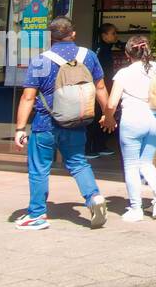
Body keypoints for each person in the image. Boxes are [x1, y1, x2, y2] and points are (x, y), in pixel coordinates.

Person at [12, 18, 112, 231]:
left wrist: (20, 128)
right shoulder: (89, 56)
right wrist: (108, 114)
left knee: (39, 169)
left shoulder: (40, 60)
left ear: (51, 36)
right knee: (78, 163)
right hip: (77, 123)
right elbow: (101, 87)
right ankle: (93, 197)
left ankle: (37, 214)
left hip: (45, 124)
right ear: (73, 34)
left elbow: (28, 97)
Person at [99, 34, 156, 221]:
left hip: (133, 120)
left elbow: (111, 103)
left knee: (131, 165)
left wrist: (108, 118)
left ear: (127, 53)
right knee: (146, 161)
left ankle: (136, 208)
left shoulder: (125, 73)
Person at [86, 23, 126, 157]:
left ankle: (100, 145)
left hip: (107, 87)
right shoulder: (98, 49)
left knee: (106, 116)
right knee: (96, 117)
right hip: (98, 88)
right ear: (104, 35)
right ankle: (89, 148)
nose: (116, 36)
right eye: (113, 33)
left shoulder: (107, 48)